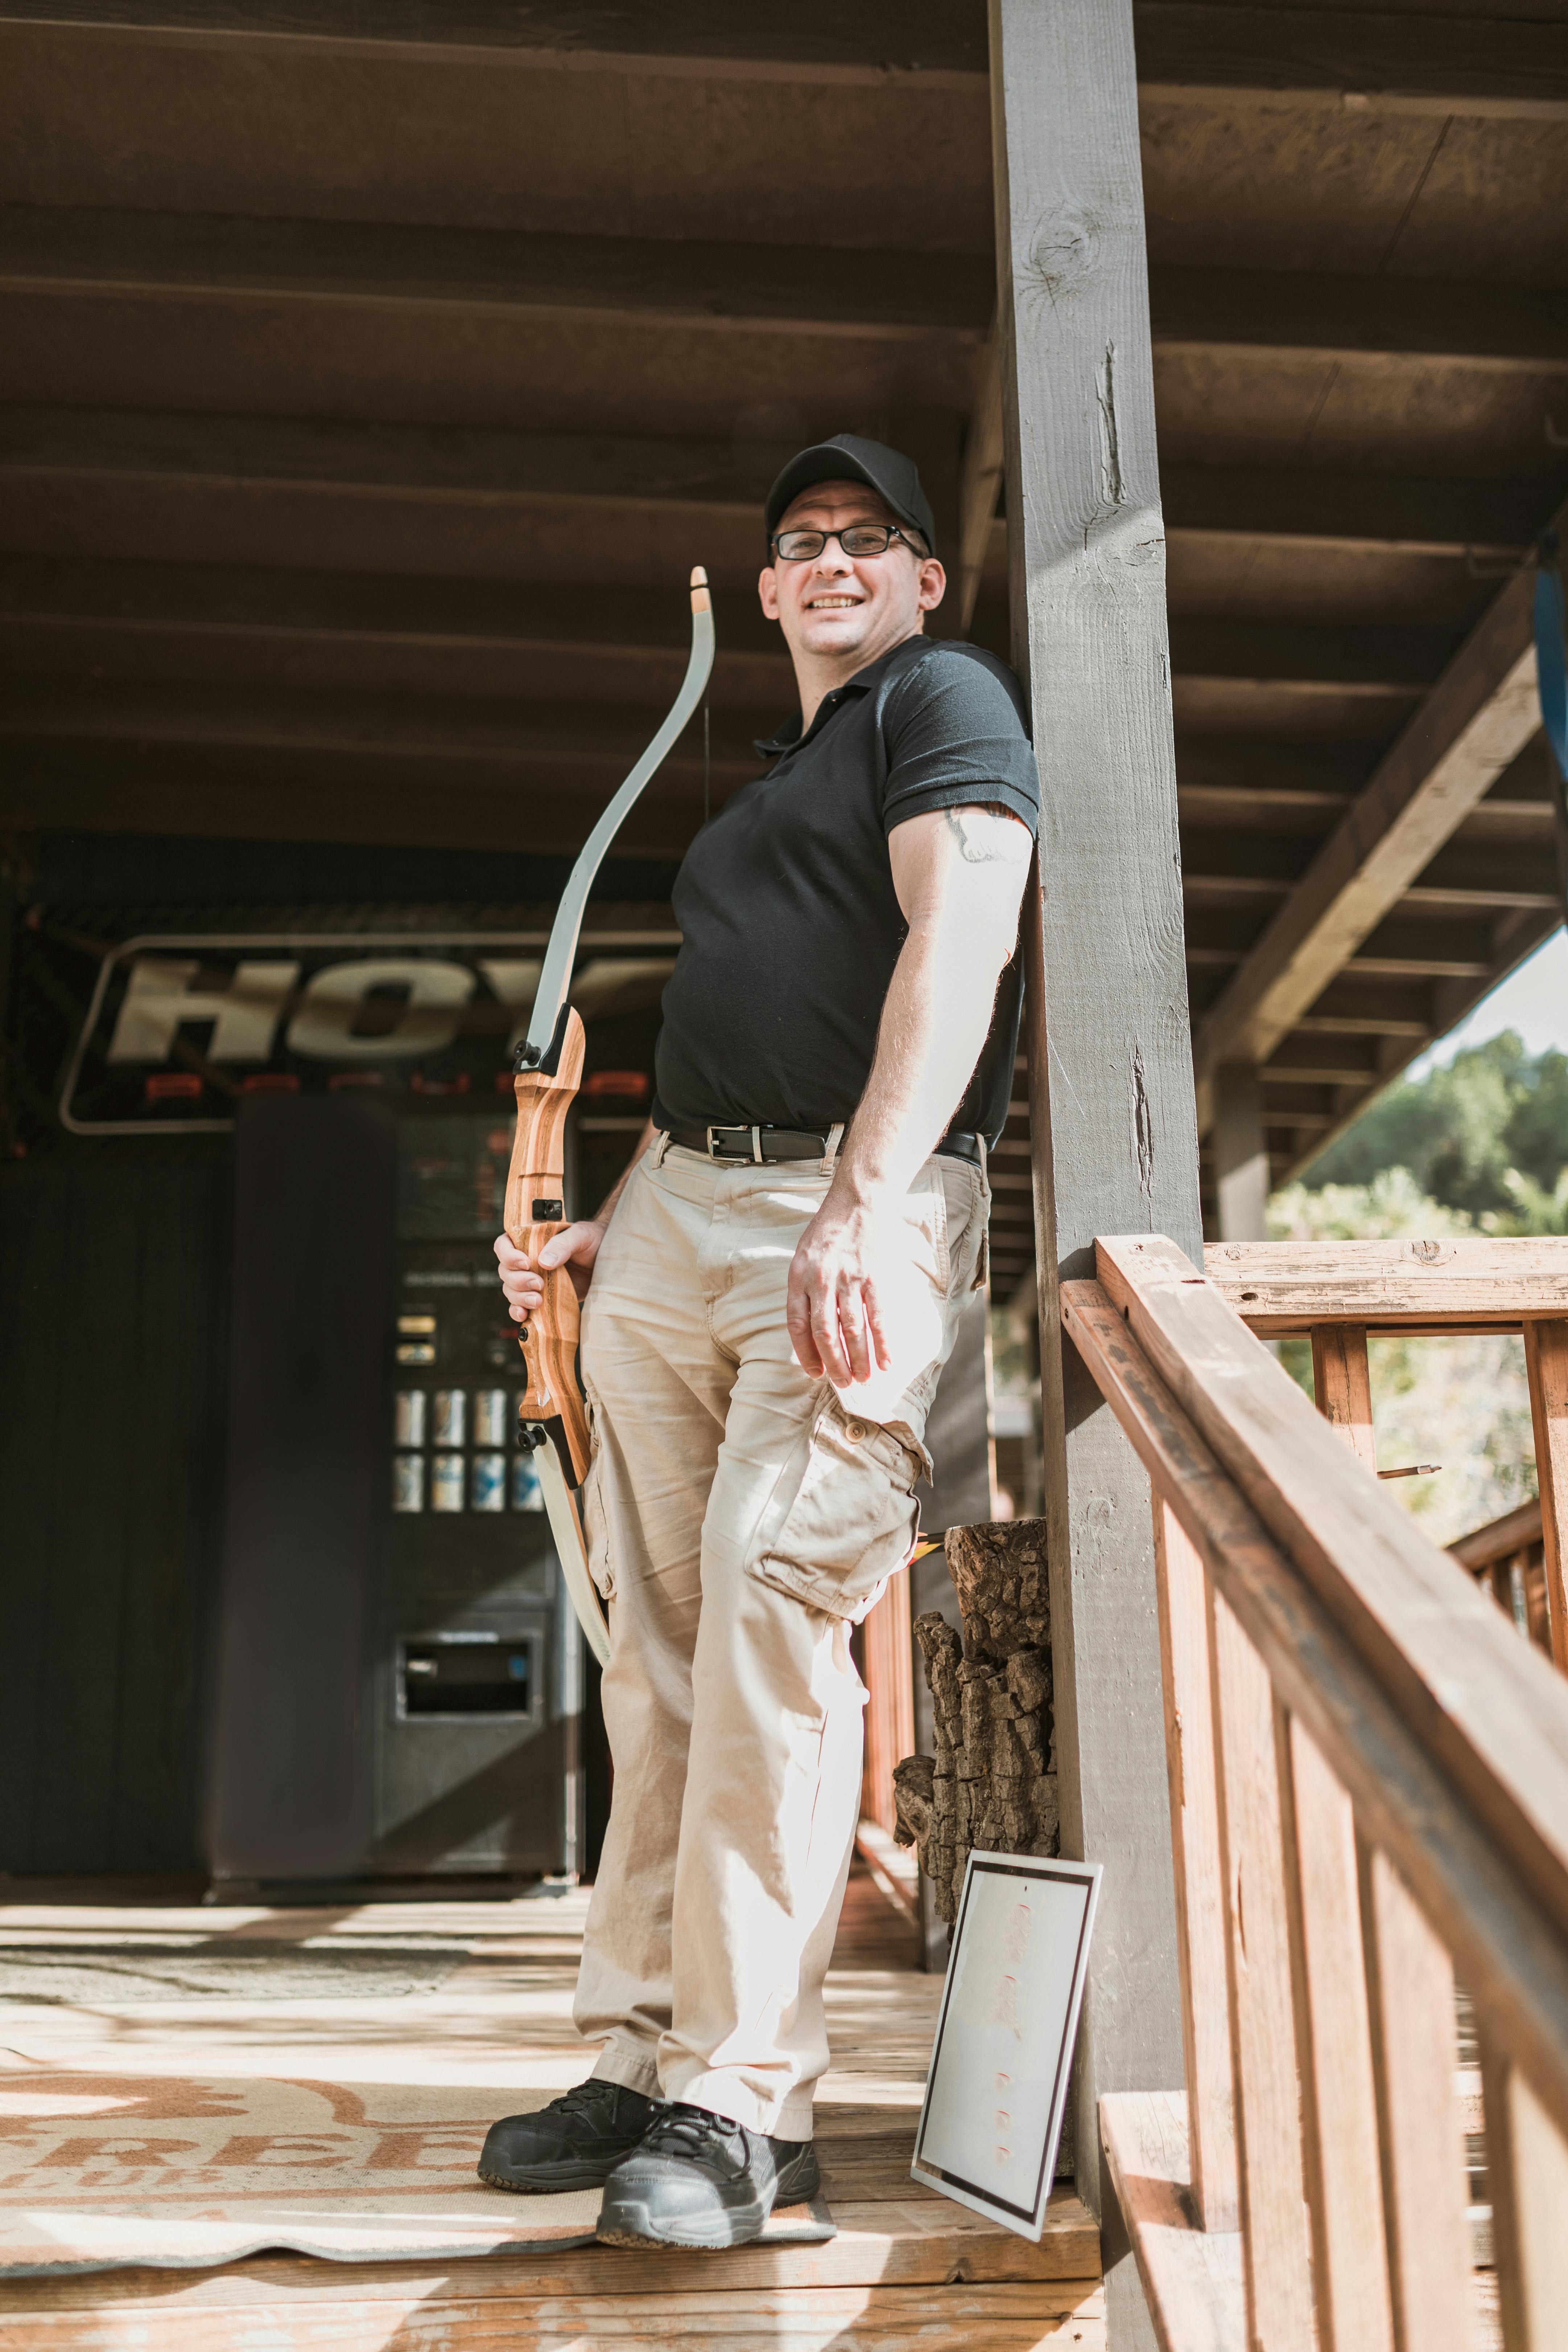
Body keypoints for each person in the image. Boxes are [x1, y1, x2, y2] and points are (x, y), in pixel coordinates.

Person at [479, 434, 1039, 2249]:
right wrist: (606, 1220)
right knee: (651, 1645)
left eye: (863, 540)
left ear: (923, 579)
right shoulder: (779, 776)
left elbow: (958, 940)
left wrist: (866, 1200)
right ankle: (645, 2051)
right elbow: (731, 1029)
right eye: (796, 543)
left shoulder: (941, 701)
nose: (824, 564)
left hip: (837, 1202)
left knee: (770, 1607)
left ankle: (744, 2099)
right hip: (676, 1209)